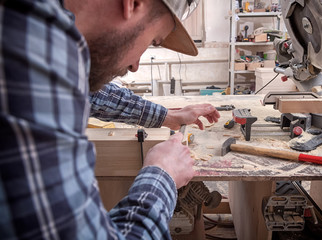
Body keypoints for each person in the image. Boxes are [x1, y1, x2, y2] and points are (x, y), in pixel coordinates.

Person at [0, 0, 220, 239]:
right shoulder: (31, 54)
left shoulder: (28, 29)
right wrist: (162, 174)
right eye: (152, 41)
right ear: (132, 3)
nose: (135, 65)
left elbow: (92, 94)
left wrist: (168, 117)